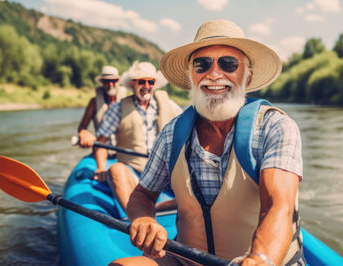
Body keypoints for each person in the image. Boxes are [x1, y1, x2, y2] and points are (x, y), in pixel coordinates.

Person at [113, 20, 305, 266]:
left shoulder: (275, 127)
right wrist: (144, 219)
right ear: (191, 75)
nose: (214, 74)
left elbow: (278, 206)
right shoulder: (173, 133)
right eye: (202, 64)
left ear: (248, 75)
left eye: (229, 63)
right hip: (187, 260)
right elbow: (142, 195)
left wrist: (260, 258)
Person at [94, 61, 182, 211]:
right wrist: (101, 167)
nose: (146, 86)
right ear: (133, 84)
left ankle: (157, 208)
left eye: (151, 82)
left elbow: (190, 130)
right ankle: (137, 216)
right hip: (133, 170)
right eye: (142, 81)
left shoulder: (170, 105)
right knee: (115, 170)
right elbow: (100, 143)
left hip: (165, 171)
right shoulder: (118, 109)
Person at [77, 65, 126, 148]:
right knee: (83, 162)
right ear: (102, 82)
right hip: (101, 149)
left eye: (114, 80)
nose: (110, 84)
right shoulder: (93, 102)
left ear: (118, 82)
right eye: (106, 81)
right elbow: (82, 127)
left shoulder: (127, 101)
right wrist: (84, 134)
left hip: (123, 152)